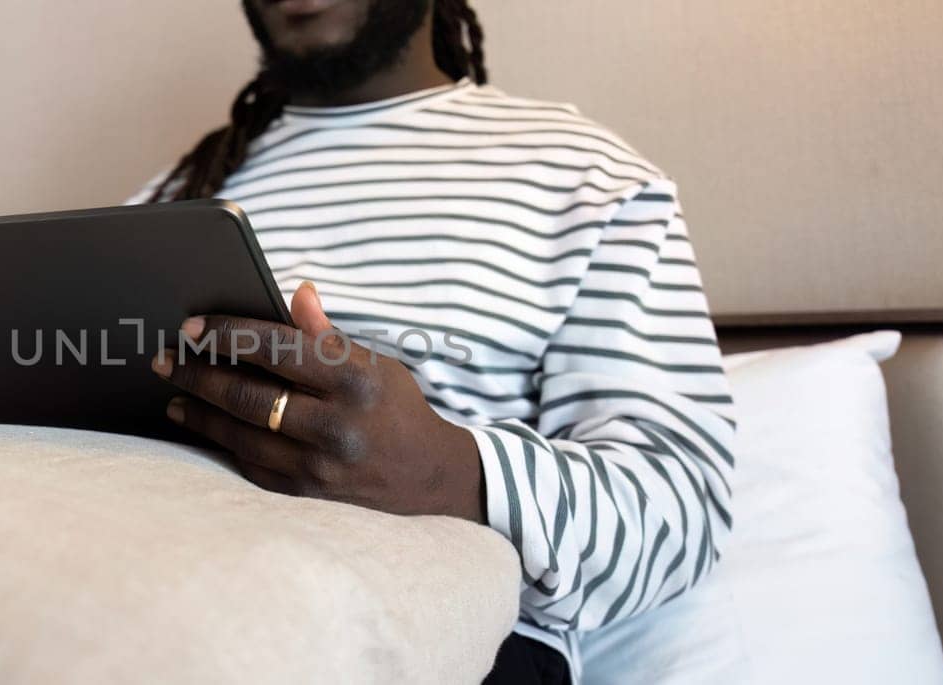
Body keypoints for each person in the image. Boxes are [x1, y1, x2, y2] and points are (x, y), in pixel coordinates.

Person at [131, 1, 736, 681]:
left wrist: (450, 470)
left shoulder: (591, 180)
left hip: (445, 639)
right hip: (151, 606)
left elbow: (684, 509)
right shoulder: (180, 194)